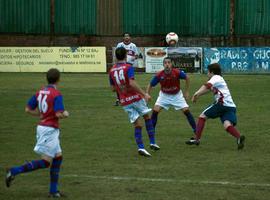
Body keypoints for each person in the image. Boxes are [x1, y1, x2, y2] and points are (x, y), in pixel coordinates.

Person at [5, 68, 69, 197]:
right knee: (46, 162)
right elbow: (58, 113)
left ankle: (53, 191)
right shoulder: (56, 94)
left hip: (44, 127)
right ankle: (14, 171)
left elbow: (28, 109)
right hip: (49, 130)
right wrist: (66, 114)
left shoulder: (40, 92)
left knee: (58, 157)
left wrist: (41, 115)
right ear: (58, 79)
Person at [109, 47, 160, 157]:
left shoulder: (112, 70)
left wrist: (121, 88)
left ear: (116, 56)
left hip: (124, 101)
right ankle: (152, 142)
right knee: (147, 117)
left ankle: (141, 147)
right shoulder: (128, 67)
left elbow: (113, 88)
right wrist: (144, 94)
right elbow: (132, 83)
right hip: (135, 98)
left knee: (137, 124)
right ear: (125, 55)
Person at [185, 63, 245, 150]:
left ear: (211, 72)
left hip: (221, 104)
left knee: (202, 116)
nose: (207, 74)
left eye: (208, 72)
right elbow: (209, 89)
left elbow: (206, 86)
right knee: (227, 125)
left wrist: (195, 94)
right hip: (230, 106)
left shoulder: (215, 78)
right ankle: (239, 137)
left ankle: (196, 139)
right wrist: (198, 95)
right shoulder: (219, 79)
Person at [146, 57, 197, 138]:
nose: (167, 65)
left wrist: (186, 91)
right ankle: (152, 131)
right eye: (165, 63)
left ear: (171, 64)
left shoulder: (176, 72)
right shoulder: (159, 74)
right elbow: (150, 84)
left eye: (169, 63)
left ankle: (196, 131)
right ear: (163, 64)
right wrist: (147, 94)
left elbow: (187, 77)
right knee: (155, 111)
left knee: (186, 111)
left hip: (177, 95)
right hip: (164, 95)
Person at [114, 33, 138, 106]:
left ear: (130, 37)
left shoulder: (133, 46)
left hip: (129, 65)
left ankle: (130, 98)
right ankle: (119, 99)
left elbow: (136, 55)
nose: (127, 37)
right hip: (121, 65)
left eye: (128, 36)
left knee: (129, 82)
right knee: (119, 82)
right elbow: (116, 55)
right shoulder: (119, 45)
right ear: (123, 38)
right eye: (125, 36)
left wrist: (133, 57)